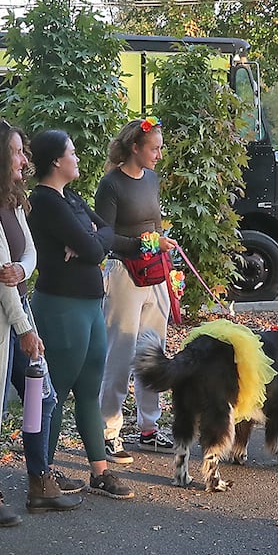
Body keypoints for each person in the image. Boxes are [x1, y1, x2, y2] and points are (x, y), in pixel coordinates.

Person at [0, 118, 80, 526]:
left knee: (41, 397)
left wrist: (23, 273)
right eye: (17, 152)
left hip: (18, 311)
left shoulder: (12, 200)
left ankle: (40, 481)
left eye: (24, 151)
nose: (25, 160)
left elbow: (27, 258)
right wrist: (24, 330)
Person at [26, 129, 133, 501]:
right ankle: (43, 471)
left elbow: (104, 234)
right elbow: (93, 246)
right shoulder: (44, 201)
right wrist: (90, 242)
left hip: (90, 305)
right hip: (61, 308)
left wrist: (91, 239)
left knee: (89, 389)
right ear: (56, 160)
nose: (77, 157)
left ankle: (99, 471)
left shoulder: (68, 196)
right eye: (71, 152)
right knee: (53, 392)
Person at [96, 117, 178, 461]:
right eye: (154, 148)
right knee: (119, 354)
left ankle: (148, 427)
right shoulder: (111, 185)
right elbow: (104, 235)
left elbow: (155, 226)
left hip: (156, 275)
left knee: (151, 353)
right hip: (123, 274)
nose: (159, 155)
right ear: (135, 148)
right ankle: (107, 431)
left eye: (160, 148)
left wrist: (162, 253)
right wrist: (146, 245)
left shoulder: (153, 179)